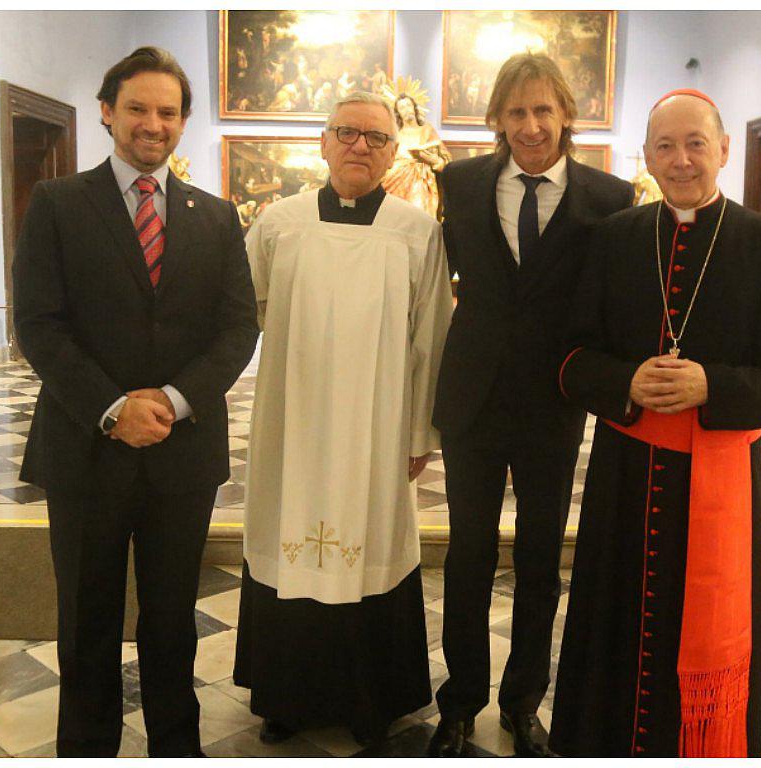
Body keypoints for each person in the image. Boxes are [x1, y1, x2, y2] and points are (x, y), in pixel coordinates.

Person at [549, 89, 761, 758]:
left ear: (724, 149)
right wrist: (623, 382)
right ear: (647, 156)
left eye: (696, 143)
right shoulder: (614, 240)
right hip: (623, 481)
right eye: (665, 145)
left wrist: (712, 385)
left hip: (718, 480)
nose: (682, 159)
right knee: (615, 623)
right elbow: (570, 357)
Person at [12, 47, 259, 757]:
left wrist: (176, 401)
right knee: (87, 619)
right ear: (106, 112)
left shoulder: (215, 217)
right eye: (139, 109)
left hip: (181, 455)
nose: (153, 124)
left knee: (174, 619)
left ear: (183, 123)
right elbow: (38, 324)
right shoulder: (58, 204)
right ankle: (86, 749)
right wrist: (113, 406)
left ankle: (175, 748)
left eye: (168, 112)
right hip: (85, 449)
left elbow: (238, 327)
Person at [427, 53, 633, 758]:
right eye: (516, 112)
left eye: (544, 110)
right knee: (468, 555)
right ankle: (458, 704)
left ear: (566, 114)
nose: (531, 125)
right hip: (473, 401)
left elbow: (612, 303)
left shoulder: (608, 197)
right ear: (497, 119)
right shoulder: (458, 181)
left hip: (554, 403)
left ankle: (523, 703)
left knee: (541, 561)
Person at [234, 92, 454, 746]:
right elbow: (241, 311)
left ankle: (373, 699)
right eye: (347, 134)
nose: (360, 146)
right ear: (323, 143)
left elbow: (432, 340)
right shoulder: (278, 223)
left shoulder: (417, 232)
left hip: (378, 428)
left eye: (376, 138)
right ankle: (285, 696)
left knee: (373, 552)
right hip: (291, 424)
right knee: (287, 541)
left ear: (394, 152)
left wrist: (420, 434)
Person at [381, 91, 452, 219]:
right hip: (396, 183)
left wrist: (435, 161)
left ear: (414, 107)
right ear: (398, 113)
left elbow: (446, 160)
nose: (406, 109)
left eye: (408, 105)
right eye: (402, 107)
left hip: (422, 184)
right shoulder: (396, 135)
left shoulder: (427, 131)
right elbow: (387, 162)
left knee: (419, 219)